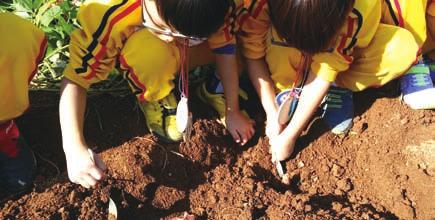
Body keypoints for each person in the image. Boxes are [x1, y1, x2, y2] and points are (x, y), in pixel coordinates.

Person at [60, 0, 255, 188]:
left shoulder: (216, 5)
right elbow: (76, 79)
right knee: (148, 54)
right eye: (163, 28)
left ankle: (215, 87)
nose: (172, 39)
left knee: (244, 44)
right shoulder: (108, 12)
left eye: (188, 36)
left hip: (197, 50)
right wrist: (74, 148)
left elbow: (225, 50)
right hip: (150, 54)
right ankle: (156, 94)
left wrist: (233, 110)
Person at [240, 0, 434, 162]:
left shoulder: (359, 10)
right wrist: (271, 111)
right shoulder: (259, 5)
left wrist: (291, 135)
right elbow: (252, 52)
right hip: (291, 39)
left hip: (349, 40)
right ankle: (291, 87)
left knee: (402, 48)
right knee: (279, 47)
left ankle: (337, 86)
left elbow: (327, 68)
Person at [0, 12, 47, 193]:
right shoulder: (16, 28)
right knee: (19, 175)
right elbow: (39, 46)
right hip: (7, 114)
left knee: (18, 178)